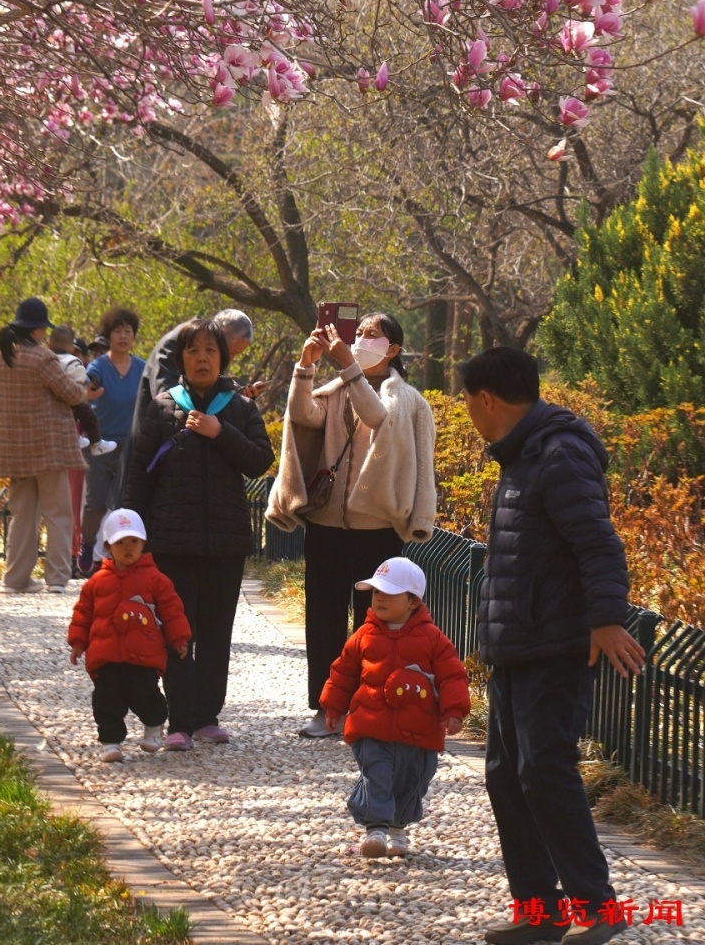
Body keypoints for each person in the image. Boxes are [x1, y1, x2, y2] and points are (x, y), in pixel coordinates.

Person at [460, 347, 645, 945]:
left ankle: (600, 907)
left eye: (466, 400)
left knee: (545, 769)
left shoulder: (558, 454)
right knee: (505, 777)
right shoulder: (523, 454)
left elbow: (598, 544)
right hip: (518, 642)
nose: (466, 411)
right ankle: (540, 912)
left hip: (556, 642)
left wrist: (607, 620)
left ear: (487, 398)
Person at [267, 313, 437, 738]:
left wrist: (347, 364)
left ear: (393, 349)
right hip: (326, 522)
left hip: (376, 527)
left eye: (373, 334)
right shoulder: (337, 388)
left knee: (374, 622)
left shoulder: (406, 398)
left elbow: (378, 416)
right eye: (358, 332)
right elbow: (304, 415)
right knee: (322, 618)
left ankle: (368, 705)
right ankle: (324, 708)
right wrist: (306, 367)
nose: (362, 338)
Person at [124, 317, 273, 749]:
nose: (202, 358)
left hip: (225, 545)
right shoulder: (164, 405)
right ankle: (179, 722)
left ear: (222, 357)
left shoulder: (240, 408)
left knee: (216, 631)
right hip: (172, 542)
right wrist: (130, 533)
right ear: (182, 360)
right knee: (177, 631)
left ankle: (208, 715)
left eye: (211, 351)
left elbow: (260, 461)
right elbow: (140, 475)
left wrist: (219, 432)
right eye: (193, 352)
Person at [320, 555, 470, 859]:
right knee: (377, 775)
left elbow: (452, 675)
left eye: (388, 593)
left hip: (419, 729)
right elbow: (344, 671)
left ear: (413, 601)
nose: (379, 599)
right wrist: (333, 706)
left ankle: (399, 828)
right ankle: (375, 829)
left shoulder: (433, 639)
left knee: (411, 780)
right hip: (370, 723)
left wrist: (454, 710)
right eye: (376, 592)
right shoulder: (364, 635)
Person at [67, 506, 192, 762]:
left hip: (143, 655)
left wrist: (179, 637)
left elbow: (172, 610)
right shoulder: (96, 583)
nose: (127, 547)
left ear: (143, 543)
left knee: (146, 696)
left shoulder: (156, 579)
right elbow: (83, 613)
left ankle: (154, 725)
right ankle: (110, 741)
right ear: (108, 546)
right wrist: (78, 642)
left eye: (133, 541)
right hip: (106, 655)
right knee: (105, 700)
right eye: (120, 542)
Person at [0, 297, 87, 594]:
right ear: (37, 330)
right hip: (47, 449)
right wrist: (83, 388)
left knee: (22, 514)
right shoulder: (42, 359)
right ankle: (57, 579)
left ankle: (15, 579)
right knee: (57, 513)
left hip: (14, 449)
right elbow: (71, 394)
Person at [120, 308, 260, 492]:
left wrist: (235, 400)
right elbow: (170, 404)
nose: (230, 359)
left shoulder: (209, 354)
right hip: (159, 457)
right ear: (220, 333)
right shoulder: (177, 343)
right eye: (232, 351)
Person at [77, 306, 145, 574]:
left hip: (131, 445)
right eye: (118, 331)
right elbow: (88, 382)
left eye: (128, 331)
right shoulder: (99, 366)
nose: (123, 336)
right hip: (100, 445)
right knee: (97, 503)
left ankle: (124, 556)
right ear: (109, 336)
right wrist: (90, 390)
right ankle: (88, 544)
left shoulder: (141, 367)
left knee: (126, 504)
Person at [48, 323, 116, 577]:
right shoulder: (75, 372)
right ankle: (75, 556)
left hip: (100, 446)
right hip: (74, 444)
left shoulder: (99, 374)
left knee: (98, 504)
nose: (98, 353)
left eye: (102, 349)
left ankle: (100, 556)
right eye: (94, 349)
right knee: (74, 504)